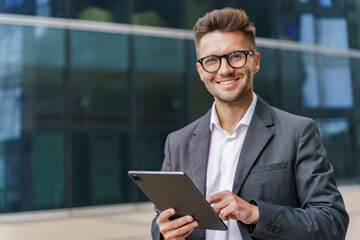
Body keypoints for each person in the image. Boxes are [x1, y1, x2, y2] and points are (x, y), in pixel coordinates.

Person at [151, 7, 349, 240]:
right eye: (212, 60)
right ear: (201, 71)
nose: (225, 70)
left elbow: (332, 223)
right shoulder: (177, 143)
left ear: (254, 62)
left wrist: (255, 214)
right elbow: (160, 222)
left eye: (235, 56)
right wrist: (163, 233)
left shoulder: (297, 133)